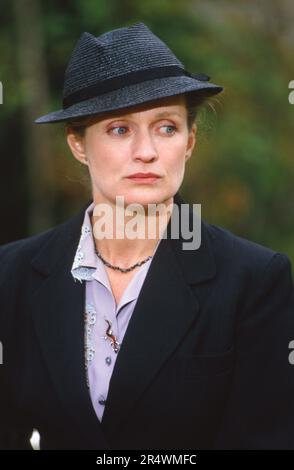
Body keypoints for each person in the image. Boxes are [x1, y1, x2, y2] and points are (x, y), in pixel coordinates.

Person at [1, 21, 294, 451]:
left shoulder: (254, 280)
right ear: (78, 144)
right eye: (119, 129)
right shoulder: (10, 275)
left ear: (190, 141)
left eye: (166, 127)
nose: (147, 151)